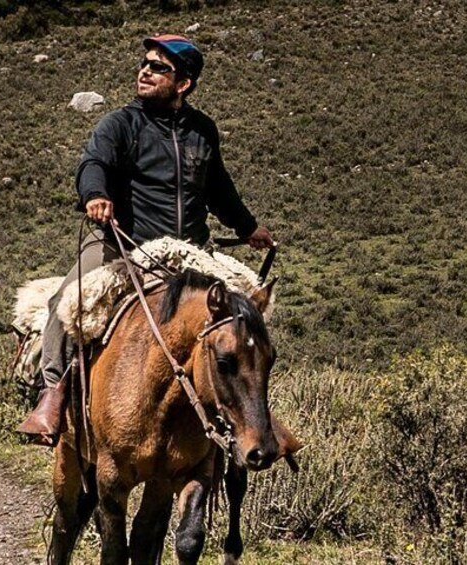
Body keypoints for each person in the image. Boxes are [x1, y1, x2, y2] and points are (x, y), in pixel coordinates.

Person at [18, 34, 275, 445]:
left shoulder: (202, 131)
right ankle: (52, 396)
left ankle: (254, 416)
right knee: (67, 302)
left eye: (158, 67)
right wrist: (96, 195)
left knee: (248, 311)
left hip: (190, 254)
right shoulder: (121, 123)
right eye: (145, 63)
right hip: (124, 246)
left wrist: (248, 228)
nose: (145, 71)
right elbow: (93, 163)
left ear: (183, 83)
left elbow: (218, 188)